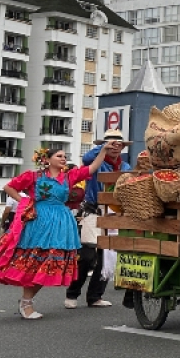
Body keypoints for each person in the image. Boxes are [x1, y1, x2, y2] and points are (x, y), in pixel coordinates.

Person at [0, 146, 112, 319]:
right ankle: (26, 302)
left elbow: (92, 168)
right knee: (35, 262)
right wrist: (25, 202)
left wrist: (103, 152)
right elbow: (9, 187)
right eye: (59, 156)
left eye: (65, 156)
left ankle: (27, 301)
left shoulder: (69, 176)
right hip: (39, 222)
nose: (63, 159)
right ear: (47, 160)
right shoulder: (34, 176)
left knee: (48, 265)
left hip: (61, 223)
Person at [65, 129, 129, 309]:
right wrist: (103, 148)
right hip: (93, 211)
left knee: (107, 258)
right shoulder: (97, 162)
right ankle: (72, 292)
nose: (115, 147)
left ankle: (95, 296)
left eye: (119, 144)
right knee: (87, 255)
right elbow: (86, 160)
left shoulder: (125, 167)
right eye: (111, 144)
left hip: (114, 214)